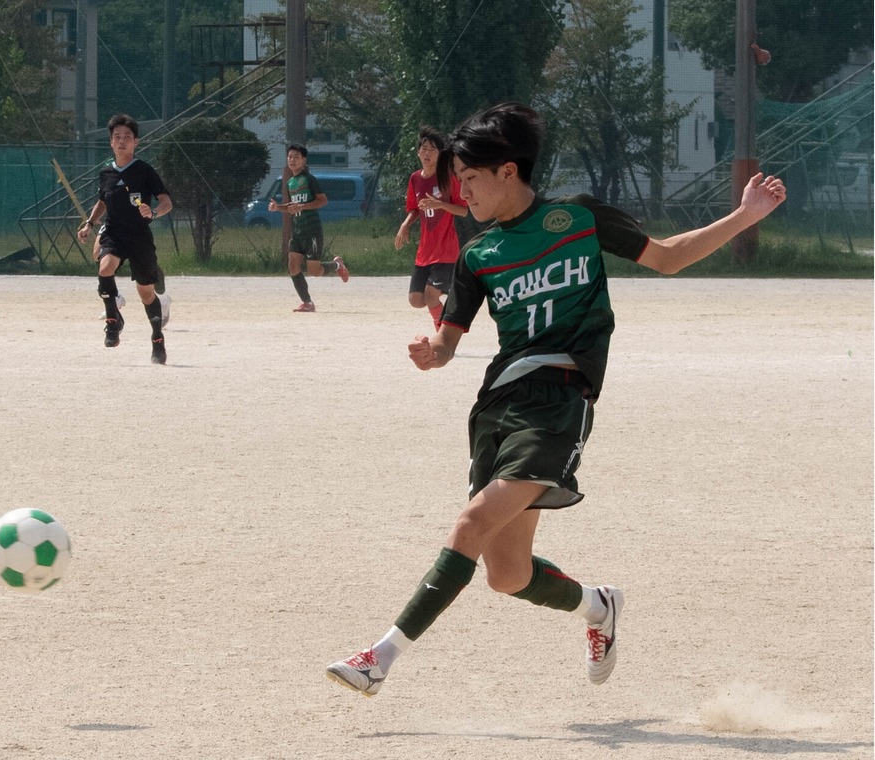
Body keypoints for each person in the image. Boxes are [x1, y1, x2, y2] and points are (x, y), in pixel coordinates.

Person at [326, 102, 786, 697]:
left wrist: (744, 215)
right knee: (507, 574)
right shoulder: (478, 255)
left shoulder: (578, 218)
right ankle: (598, 606)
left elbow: (667, 257)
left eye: (468, 180)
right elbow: (448, 343)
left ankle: (379, 657)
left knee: (470, 524)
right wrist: (430, 352)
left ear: (507, 171)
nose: (460, 193)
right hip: (497, 405)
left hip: (560, 397)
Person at [77, 114, 173, 364]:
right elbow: (102, 200)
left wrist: (152, 212)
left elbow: (166, 203)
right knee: (104, 267)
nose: (122, 141)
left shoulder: (144, 170)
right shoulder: (106, 172)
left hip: (139, 236)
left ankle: (157, 339)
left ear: (136, 142)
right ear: (110, 142)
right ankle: (113, 321)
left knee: (146, 293)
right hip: (114, 233)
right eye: (117, 137)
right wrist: (89, 223)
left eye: (127, 137)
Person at [394, 126, 469, 328]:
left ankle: (442, 335)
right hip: (425, 251)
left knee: (430, 296)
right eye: (424, 148)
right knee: (416, 300)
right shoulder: (415, 178)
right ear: (418, 151)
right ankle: (450, 295)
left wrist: (440, 204)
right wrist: (405, 224)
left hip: (445, 250)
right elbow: (415, 209)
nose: (427, 153)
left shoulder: (448, 177)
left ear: (440, 155)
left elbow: (463, 210)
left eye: (433, 149)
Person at [268, 144, 349, 312]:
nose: (292, 160)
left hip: (312, 231)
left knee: (315, 271)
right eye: (290, 157)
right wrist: (279, 208)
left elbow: (323, 200)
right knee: (292, 266)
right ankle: (307, 303)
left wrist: (302, 206)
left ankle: (337, 265)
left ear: (304, 160)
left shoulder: (309, 179)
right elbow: (293, 206)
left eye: (296, 157)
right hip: (297, 231)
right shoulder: (290, 182)